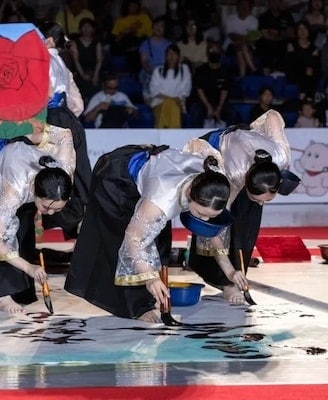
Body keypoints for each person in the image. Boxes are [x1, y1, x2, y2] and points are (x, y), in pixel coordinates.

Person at [65, 143, 233, 322]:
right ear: (190, 193)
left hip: (152, 169)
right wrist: (150, 279)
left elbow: (197, 144)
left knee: (162, 244)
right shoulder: (162, 198)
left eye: (210, 216)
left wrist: (230, 272)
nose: (205, 219)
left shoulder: (214, 180)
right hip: (117, 179)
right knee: (121, 240)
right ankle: (138, 307)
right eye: (201, 213)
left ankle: (154, 297)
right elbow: (134, 238)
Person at [0, 124, 75, 314]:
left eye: (56, 209)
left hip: (16, 158)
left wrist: (26, 139)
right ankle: (1, 296)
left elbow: (65, 133)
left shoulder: (64, 171)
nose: (50, 213)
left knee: (23, 228)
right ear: (36, 192)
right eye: (47, 207)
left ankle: (20, 289)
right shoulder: (13, 190)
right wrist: (29, 268)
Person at [183, 109, 297, 303]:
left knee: (247, 221)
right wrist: (229, 271)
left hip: (250, 159)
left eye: (266, 199)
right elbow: (213, 227)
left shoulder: (280, 156)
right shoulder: (231, 175)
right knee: (222, 222)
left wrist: (254, 131)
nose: (261, 202)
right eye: (258, 198)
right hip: (216, 151)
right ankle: (225, 282)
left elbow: (272, 116)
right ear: (246, 184)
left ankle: (238, 274)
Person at [39, 21, 91, 239]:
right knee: (77, 173)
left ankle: (52, 219)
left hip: (51, 119)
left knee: (52, 170)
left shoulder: (42, 60)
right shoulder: (62, 62)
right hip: (69, 120)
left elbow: (45, 94)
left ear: (49, 40)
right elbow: (78, 105)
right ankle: (74, 223)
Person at [148, 44, 192, 129]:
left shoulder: (184, 69)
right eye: (169, 54)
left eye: (174, 54)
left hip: (178, 103)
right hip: (159, 103)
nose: (171, 56)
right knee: (169, 103)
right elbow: (154, 90)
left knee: (172, 104)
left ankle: (163, 130)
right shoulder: (158, 70)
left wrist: (172, 100)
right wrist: (171, 99)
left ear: (178, 56)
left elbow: (186, 89)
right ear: (165, 56)